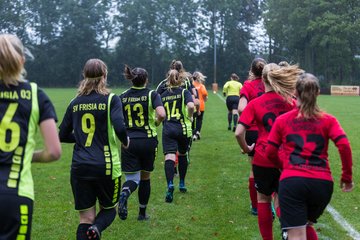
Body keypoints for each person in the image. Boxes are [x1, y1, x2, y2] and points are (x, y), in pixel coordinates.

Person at [266, 73, 354, 240]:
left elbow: (270, 151)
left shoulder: (283, 120)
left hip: (293, 182)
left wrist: (284, 165)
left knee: (296, 234)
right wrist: (347, 177)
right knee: (305, 225)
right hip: (322, 185)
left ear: (295, 93)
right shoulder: (329, 120)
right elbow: (343, 145)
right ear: (318, 93)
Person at [59, 59, 129, 240]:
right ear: (104, 76)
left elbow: (61, 135)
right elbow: (120, 127)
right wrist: (125, 141)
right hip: (105, 166)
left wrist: (80, 139)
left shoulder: (75, 102)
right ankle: (97, 228)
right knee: (109, 210)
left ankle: (91, 229)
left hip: (80, 166)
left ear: (84, 76)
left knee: (85, 219)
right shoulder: (112, 99)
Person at [0, 33, 61, 240]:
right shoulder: (36, 95)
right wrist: (28, 155)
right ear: (22, 61)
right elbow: (53, 152)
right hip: (16, 196)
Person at [235, 63, 303, 240]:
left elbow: (239, 132)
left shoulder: (255, 103)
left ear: (262, 79)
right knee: (283, 199)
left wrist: (246, 148)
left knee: (263, 199)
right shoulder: (291, 102)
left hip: (262, 157)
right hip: (285, 159)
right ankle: (287, 232)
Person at [118, 65, 165, 221]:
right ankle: (142, 214)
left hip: (129, 141)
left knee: (132, 180)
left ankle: (125, 193)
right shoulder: (152, 94)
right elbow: (162, 114)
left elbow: (115, 119)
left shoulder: (122, 96)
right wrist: (157, 122)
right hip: (148, 141)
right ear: (146, 80)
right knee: (145, 178)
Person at [237, 58, 267, 216]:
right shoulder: (271, 83)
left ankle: (256, 206)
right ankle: (274, 204)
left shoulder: (248, 85)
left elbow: (241, 108)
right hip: (270, 130)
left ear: (251, 70)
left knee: (254, 170)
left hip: (254, 131)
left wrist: (250, 118)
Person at [161, 69, 194, 203]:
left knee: (169, 156)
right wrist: (190, 116)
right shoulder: (184, 92)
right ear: (180, 79)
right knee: (182, 154)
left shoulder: (163, 95)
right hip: (183, 128)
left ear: (167, 79)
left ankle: (170, 183)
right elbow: (191, 106)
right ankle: (181, 182)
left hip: (168, 128)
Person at [192, 71, 208, 141]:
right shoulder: (202, 86)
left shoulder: (191, 85)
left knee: (192, 120)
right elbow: (205, 96)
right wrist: (204, 99)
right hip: (201, 105)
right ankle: (198, 132)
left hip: (192, 105)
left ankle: (193, 134)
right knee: (199, 119)